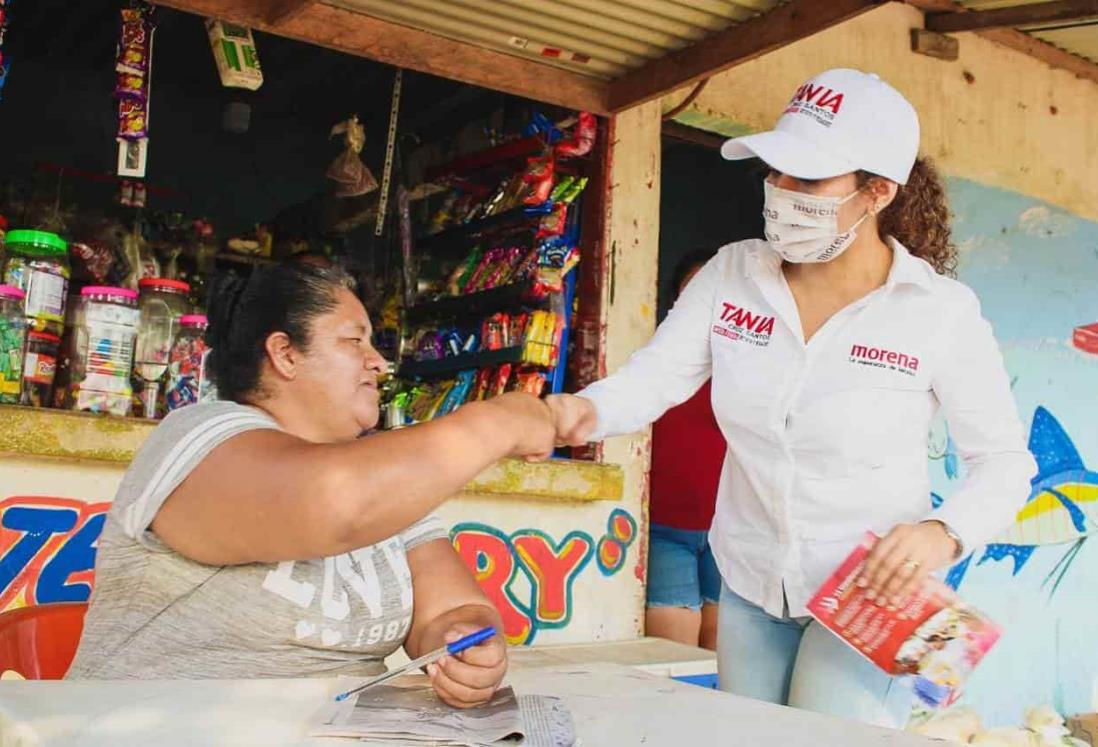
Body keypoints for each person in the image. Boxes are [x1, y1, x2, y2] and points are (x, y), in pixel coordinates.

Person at [546, 68, 1036, 727]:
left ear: (877, 192)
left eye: (807, 178)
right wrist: (580, 410)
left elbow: (1005, 463)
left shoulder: (937, 312)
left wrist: (942, 533)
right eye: (775, 172)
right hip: (748, 584)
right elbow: (655, 378)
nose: (779, 191)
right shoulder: (732, 275)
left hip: (869, 595)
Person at [68, 263, 557, 710]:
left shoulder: (382, 476)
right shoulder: (199, 436)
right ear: (284, 354)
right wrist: (499, 422)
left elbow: (453, 606)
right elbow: (335, 503)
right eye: (355, 341)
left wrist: (464, 642)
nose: (379, 364)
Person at [645, 251, 725, 651]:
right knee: (672, 662)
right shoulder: (653, 361)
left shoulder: (755, 364)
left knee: (722, 663)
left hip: (729, 535)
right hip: (664, 532)